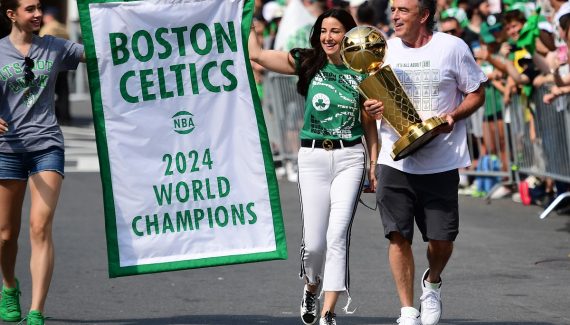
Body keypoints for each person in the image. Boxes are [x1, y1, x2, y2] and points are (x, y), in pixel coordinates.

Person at [249, 8, 379, 325]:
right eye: (323, 31)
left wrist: (373, 162)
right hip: (312, 159)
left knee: (337, 236)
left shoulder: (364, 70)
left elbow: (368, 124)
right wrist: (249, 20)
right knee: (315, 242)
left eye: (335, 31)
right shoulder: (308, 62)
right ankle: (311, 286)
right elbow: (259, 55)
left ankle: (328, 311)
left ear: (348, 35)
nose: (328, 37)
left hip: (350, 158)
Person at [363, 0, 486, 324]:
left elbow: (476, 92)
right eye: (393, 9)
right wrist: (372, 110)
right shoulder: (383, 51)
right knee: (397, 235)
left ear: (425, 15)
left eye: (404, 9)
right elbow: (367, 101)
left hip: (440, 159)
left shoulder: (453, 48)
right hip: (395, 159)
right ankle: (407, 310)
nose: (395, 15)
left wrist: (452, 115)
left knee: (442, 240)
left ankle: (432, 282)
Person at [0, 0, 85, 324]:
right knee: (6, 234)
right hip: (6, 149)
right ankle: (9, 286)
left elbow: (99, 53)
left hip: (46, 145)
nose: (38, 14)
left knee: (40, 226)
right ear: (11, 14)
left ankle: (37, 309)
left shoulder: (55, 47)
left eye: (39, 8)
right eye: (29, 9)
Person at [38, 6, 72, 126]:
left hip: (51, 63)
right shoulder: (63, 28)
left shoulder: (47, 28)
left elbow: (42, 48)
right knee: (63, 91)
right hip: (64, 62)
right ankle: (65, 115)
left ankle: (50, 116)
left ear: (48, 17)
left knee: (49, 91)